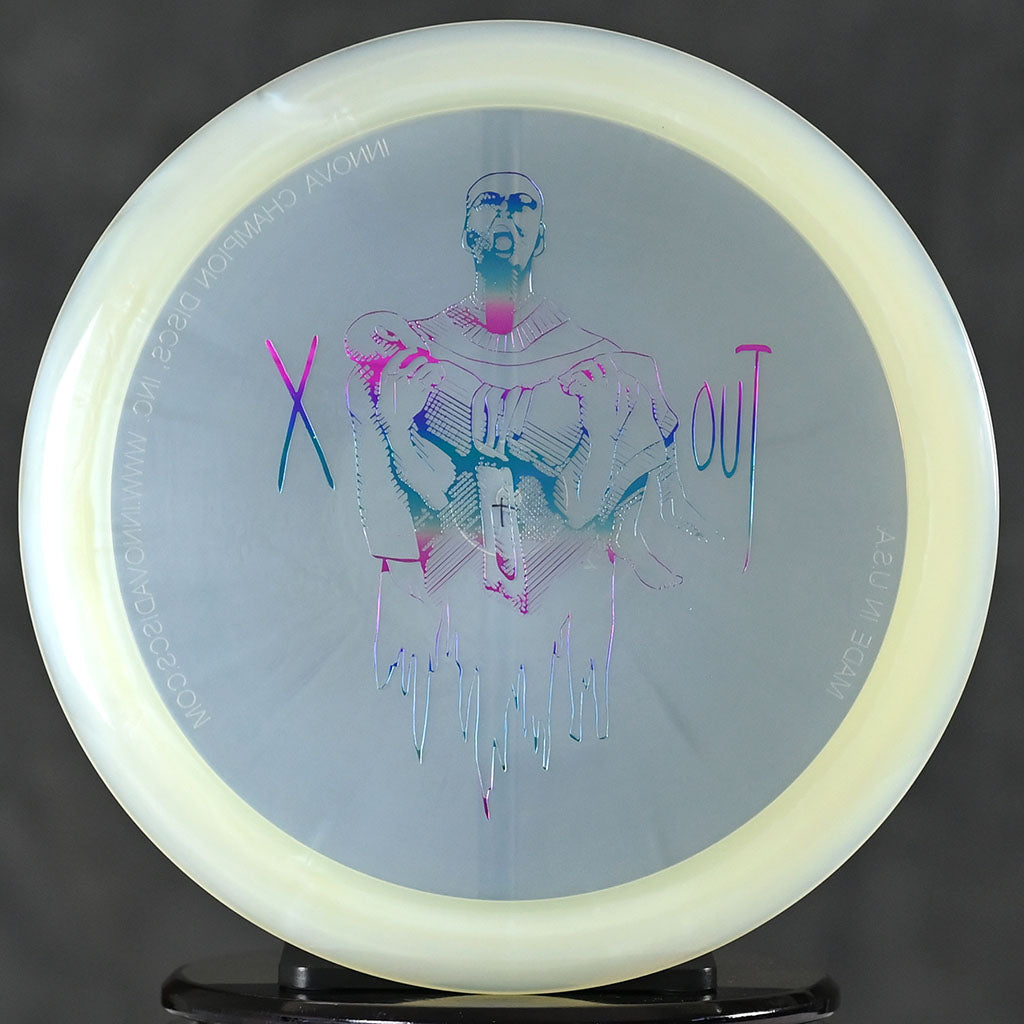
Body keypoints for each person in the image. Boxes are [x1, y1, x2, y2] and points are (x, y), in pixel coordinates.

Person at [344, 172, 709, 815]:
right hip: (442, 611)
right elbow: (401, 492)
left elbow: (589, 506)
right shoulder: (415, 354)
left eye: (523, 207)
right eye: (489, 204)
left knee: (573, 774)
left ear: (542, 234)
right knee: (438, 769)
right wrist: (398, 431)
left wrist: (599, 433)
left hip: (567, 614)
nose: (505, 218)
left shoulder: (595, 360)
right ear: (466, 231)